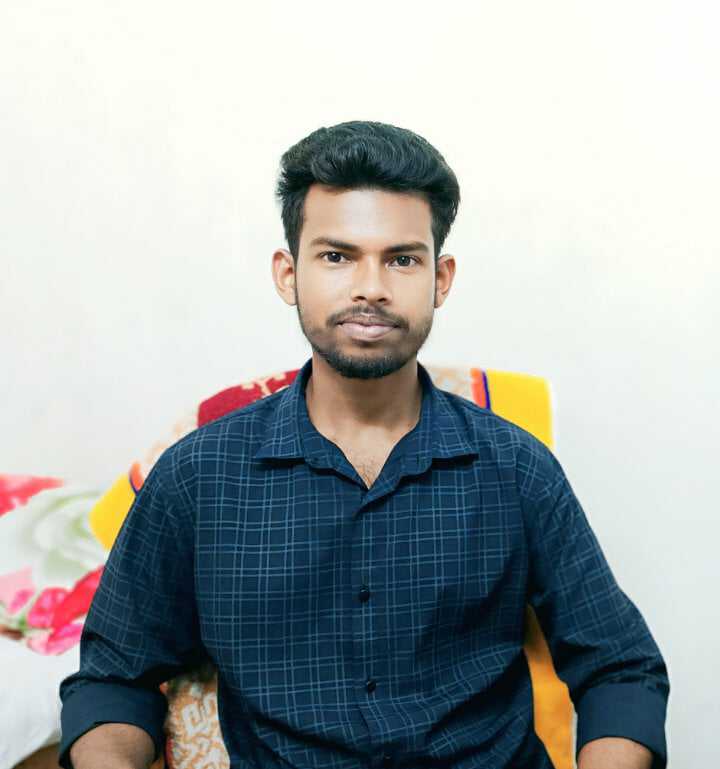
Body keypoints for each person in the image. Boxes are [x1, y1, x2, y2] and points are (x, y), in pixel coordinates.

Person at [58, 120, 669, 769]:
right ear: (288, 274)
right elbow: (112, 680)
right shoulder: (198, 475)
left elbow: (620, 670)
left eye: (402, 259)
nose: (371, 286)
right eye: (337, 256)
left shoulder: (516, 466)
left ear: (441, 278)